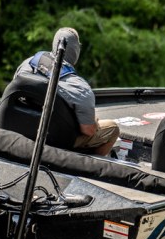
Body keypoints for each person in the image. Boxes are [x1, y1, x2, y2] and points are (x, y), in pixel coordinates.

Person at [12, 27, 119, 156]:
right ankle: (88, 165)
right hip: (57, 139)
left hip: (22, 129)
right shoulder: (80, 88)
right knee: (113, 128)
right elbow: (88, 130)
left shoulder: (26, 65)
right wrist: (94, 121)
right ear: (76, 51)